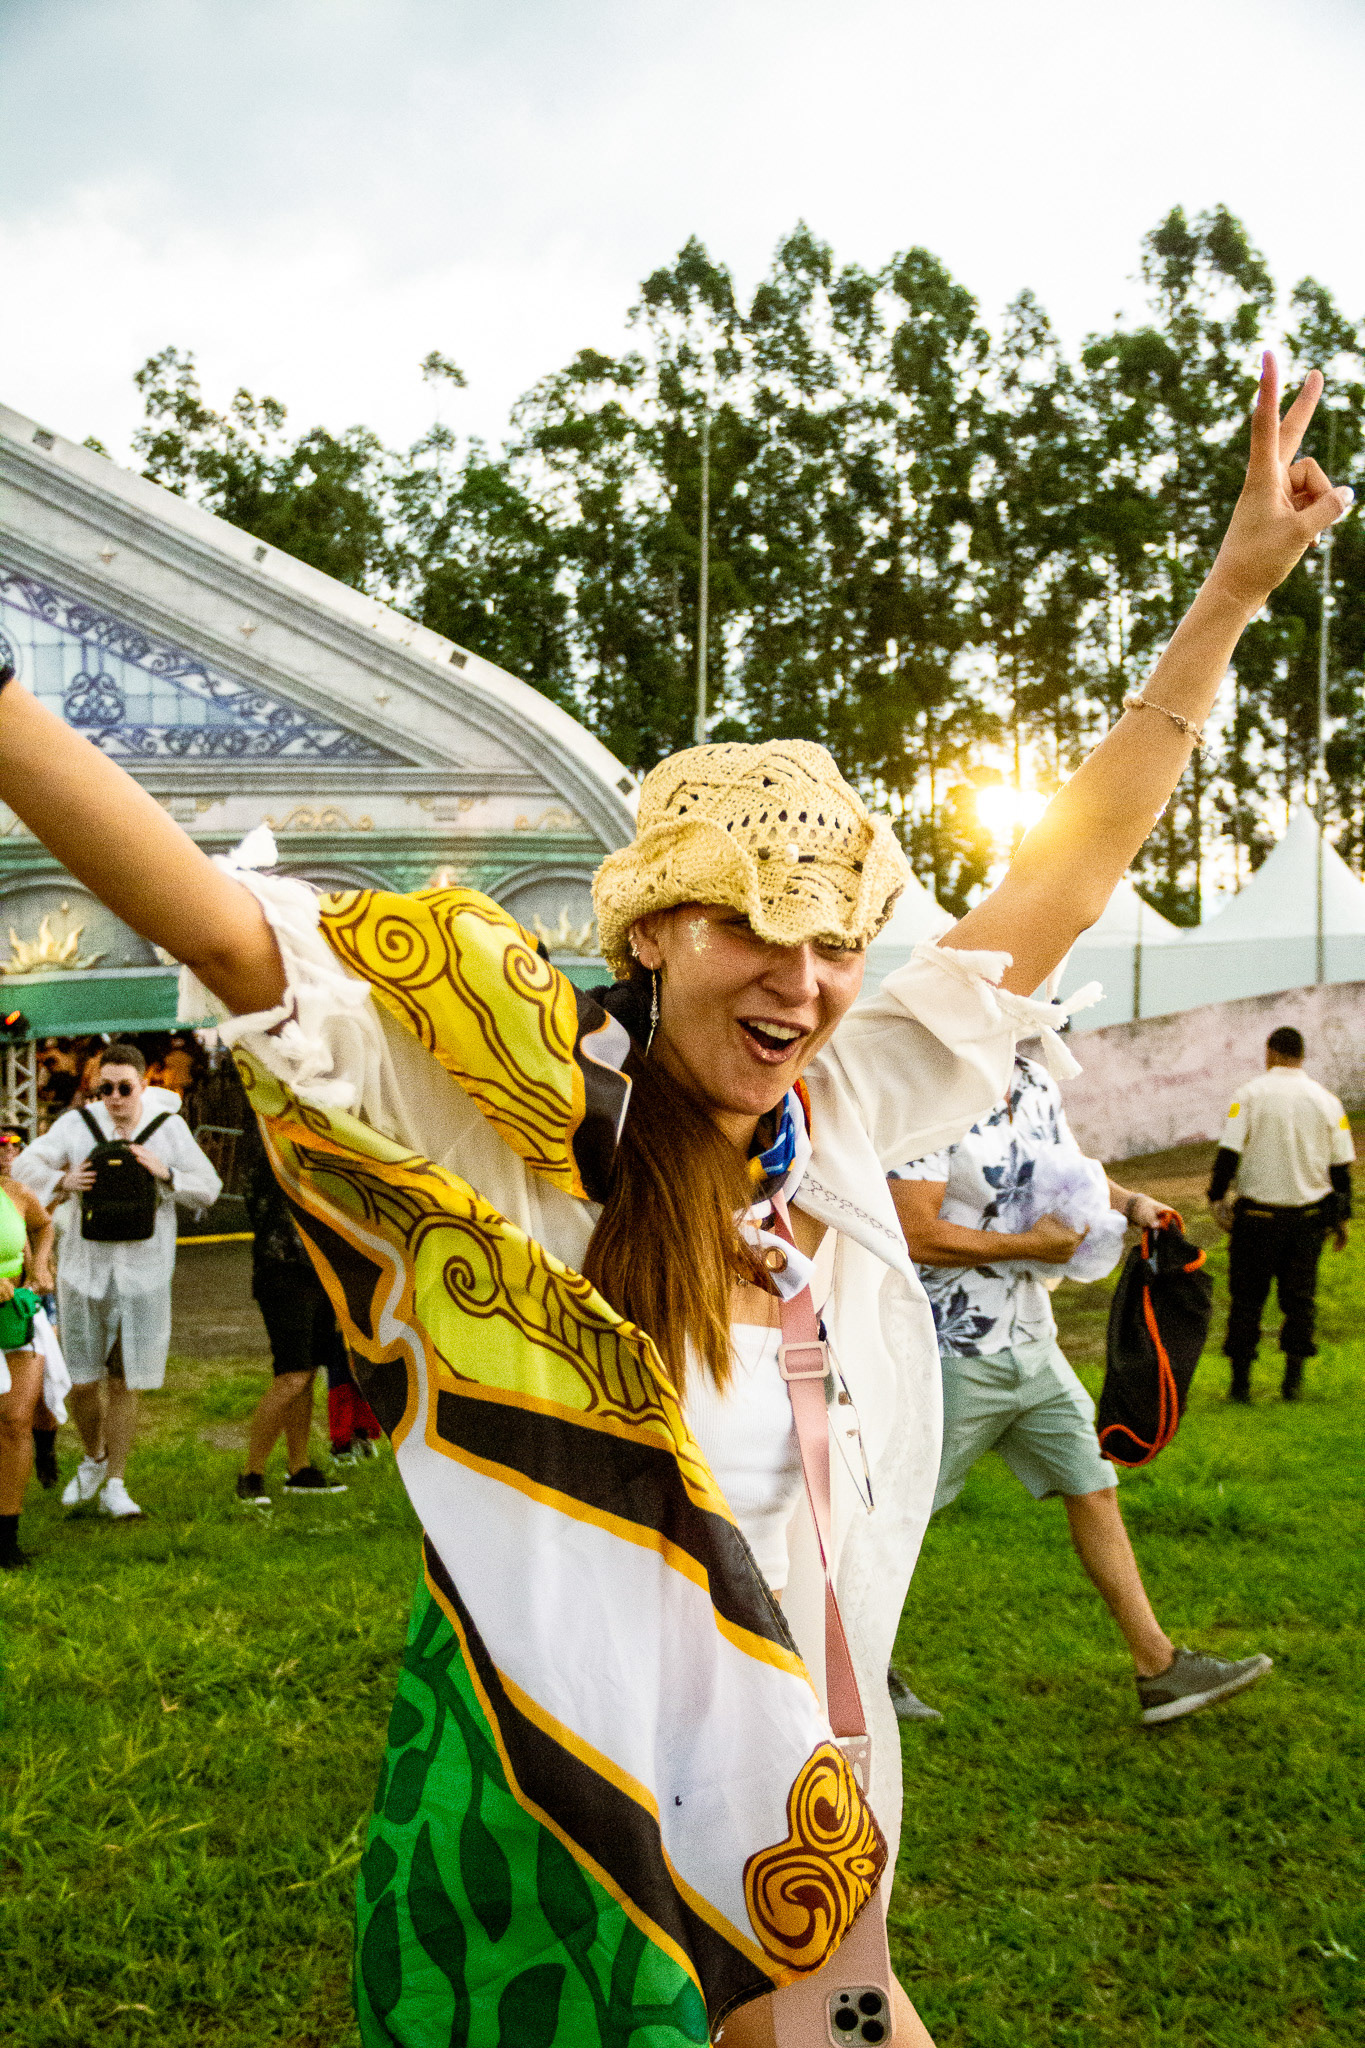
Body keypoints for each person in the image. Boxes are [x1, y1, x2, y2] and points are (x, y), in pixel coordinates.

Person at [0, 356, 1345, 2046]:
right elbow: (222, 929)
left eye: (834, 938)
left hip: (806, 1775)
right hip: (581, 1789)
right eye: (749, 925)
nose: (801, 976)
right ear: (649, 930)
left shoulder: (839, 1109)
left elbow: (1063, 877)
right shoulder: (521, 1119)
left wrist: (1231, 593)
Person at [888, 1049, 1273, 1727]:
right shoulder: (929, 1081)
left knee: (1092, 1484)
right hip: (950, 1350)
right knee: (894, 1516)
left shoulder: (1032, 1078)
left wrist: (1131, 1203)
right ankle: (851, 1666)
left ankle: (1159, 1670)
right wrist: (1028, 1246)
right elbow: (914, 1232)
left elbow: (1070, 1168)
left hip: (1032, 1339)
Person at [11, 1043, 221, 1519]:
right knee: (83, 1380)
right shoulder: (76, 1125)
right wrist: (64, 1180)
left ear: (143, 1085)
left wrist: (166, 1172)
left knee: (127, 1379)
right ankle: (93, 1458)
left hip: (144, 1272)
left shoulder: (168, 1128)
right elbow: (25, 1166)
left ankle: (116, 1483)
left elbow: (208, 1186)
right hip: (84, 1271)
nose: (115, 1098)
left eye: (125, 1088)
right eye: (105, 1089)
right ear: (95, 1088)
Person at [1208, 1024, 1355, 1402]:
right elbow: (1341, 1168)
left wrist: (1216, 1197)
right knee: (1300, 1301)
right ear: (1302, 1056)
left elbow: (1229, 1152)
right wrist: (1342, 1218)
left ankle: (1240, 1386)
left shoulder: (1247, 1095)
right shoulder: (1328, 1101)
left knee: (1246, 1300)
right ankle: (1292, 1384)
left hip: (1257, 1220)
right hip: (1307, 1222)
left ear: (1270, 1052)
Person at [235, 1144, 350, 1501]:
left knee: (308, 1372)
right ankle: (250, 1475)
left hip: (320, 1269)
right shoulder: (270, 1148)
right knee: (292, 1375)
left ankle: (299, 1468)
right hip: (283, 1271)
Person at [0, 1125, 58, 1567]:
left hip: (16, 1315)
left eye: (10, 1146)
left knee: (15, 1421)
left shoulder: (16, 1193)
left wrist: (40, 1264)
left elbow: (44, 1226)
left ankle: (6, 1538)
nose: (6, 1153)